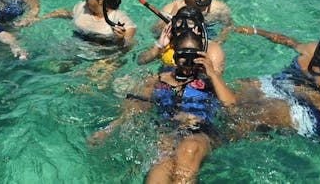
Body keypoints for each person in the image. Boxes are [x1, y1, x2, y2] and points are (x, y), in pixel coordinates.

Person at [90, 31, 236, 183]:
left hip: (201, 133)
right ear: (174, 56)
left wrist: (212, 74)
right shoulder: (157, 81)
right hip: (168, 134)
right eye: (183, 57)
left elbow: (231, 106)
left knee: (189, 148)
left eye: (194, 57)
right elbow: (135, 108)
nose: (188, 62)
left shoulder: (210, 81)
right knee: (157, 174)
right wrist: (107, 130)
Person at [31, 0, 136, 47]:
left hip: (102, 57)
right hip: (75, 47)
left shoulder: (121, 22)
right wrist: (39, 19)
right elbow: (64, 13)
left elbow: (127, 47)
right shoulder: (81, 7)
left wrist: (120, 40)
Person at [138, 6, 225, 76]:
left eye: (190, 23)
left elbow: (215, 80)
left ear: (199, 29)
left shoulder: (211, 49)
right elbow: (141, 61)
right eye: (179, 22)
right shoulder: (168, 42)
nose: (183, 27)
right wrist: (158, 46)